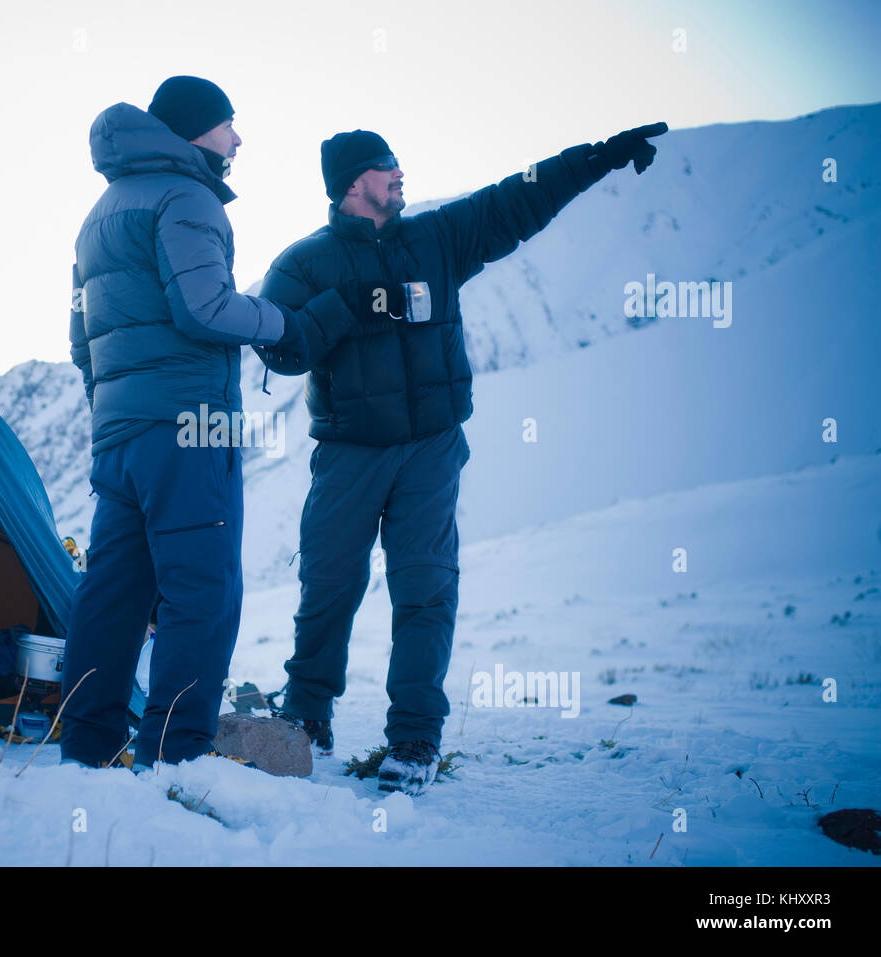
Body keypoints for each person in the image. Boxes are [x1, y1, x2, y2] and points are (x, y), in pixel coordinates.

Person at [256, 121, 669, 794]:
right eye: (387, 164)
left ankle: (414, 737)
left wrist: (598, 157)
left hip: (431, 446)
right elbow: (281, 348)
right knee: (329, 584)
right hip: (349, 453)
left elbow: (519, 199)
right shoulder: (304, 263)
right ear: (353, 182)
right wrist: (347, 304)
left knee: (425, 586)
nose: (400, 172)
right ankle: (306, 717)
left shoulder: (437, 237)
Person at [60, 77, 357, 771]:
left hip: (121, 431)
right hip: (190, 427)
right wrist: (287, 322)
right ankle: (175, 755)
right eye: (229, 124)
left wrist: (119, 407)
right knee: (203, 590)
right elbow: (206, 307)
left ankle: (86, 745)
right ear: (196, 131)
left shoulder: (99, 213)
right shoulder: (186, 195)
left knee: (115, 593)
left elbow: (81, 341)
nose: (238, 138)